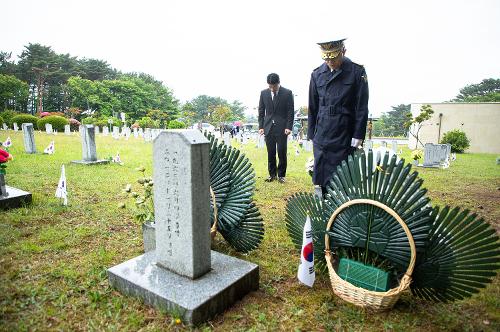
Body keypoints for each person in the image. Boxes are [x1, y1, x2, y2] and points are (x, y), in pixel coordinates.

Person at [308, 38, 369, 193]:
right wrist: (311, 134)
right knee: (321, 176)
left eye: (334, 57)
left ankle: (341, 210)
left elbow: (361, 106)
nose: (330, 62)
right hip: (322, 133)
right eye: (326, 58)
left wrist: (358, 134)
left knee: (343, 178)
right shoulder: (317, 74)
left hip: (345, 133)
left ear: (343, 51)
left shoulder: (357, 72)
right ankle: (323, 207)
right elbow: (313, 107)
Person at [258, 73, 294, 183]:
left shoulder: (287, 93)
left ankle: (281, 175)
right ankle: (272, 175)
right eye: (270, 86)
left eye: (274, 86)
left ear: (279, 83)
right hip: (268, 127)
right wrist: (261, 126)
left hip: (282, 128)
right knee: (271, 152)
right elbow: (261, 111)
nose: (272, 89)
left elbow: (290, 111)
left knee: (282, 151)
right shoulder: (263, 93)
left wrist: (288, 126)